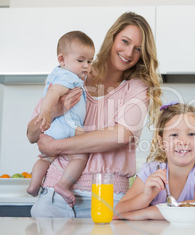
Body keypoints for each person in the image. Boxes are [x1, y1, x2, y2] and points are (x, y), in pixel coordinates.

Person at [26, 12, 163, 218]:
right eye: (125, 41)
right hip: (53, 195)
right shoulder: (73, 73)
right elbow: (31, 134)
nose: (128, 52)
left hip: (108, 198)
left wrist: (56, 146)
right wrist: (55, 111)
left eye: (137, 49)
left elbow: (121, 135)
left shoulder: (136, 88)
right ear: (112, 37)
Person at [114, 102, 195, 220]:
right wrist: (146, 196)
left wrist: (145, 213)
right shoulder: (150, 171)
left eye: (191, 134)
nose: (183, 141)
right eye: (174, 135)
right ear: (161, 142)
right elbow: (119, 210)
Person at [26, 31, 95, 208]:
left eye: (89, 61)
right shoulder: (68, 76)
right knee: (80, 155)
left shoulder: (59, 74)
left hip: (53, 129)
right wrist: (47, 112)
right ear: (62, 59)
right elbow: (54, 93)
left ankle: (34, 185)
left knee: (45, 159)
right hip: (67, 126)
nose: (86, 66)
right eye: (80, 61)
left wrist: (46, 115)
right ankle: (63, 184)